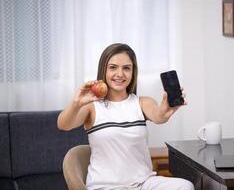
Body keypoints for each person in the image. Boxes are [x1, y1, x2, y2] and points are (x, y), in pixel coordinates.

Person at [57, 43, 194, 190]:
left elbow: (158, 116)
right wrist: (76, 103)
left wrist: (166, 109)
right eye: (113, 67)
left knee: (184, 186)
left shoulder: (142, 102)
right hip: (106, 187)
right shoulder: (92, 106)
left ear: (133, 72)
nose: (120, 74)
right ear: (104, 69)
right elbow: (63, 124)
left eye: (126, 68)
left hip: (144, 183)